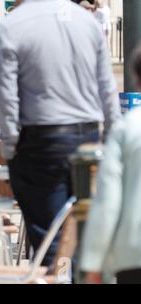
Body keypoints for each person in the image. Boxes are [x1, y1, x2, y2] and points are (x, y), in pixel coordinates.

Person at [0, 0, 121, 269]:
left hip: (40, 142)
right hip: (87, 138)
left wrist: (11, 145)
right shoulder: (87, 22)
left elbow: (4, 97)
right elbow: (107, 88)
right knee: (87, 238)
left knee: (50, 241)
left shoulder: (10, 26)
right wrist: (110, 140)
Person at [80, 45, 141, 284]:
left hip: (134, 252)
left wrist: (94, 263)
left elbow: (108, 202)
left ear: (136, 79)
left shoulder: (127, 128)